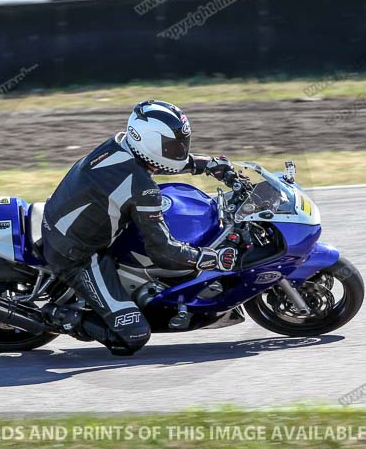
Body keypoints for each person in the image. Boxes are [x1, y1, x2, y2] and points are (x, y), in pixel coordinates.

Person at [40, 100, 238, 355]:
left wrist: (205, 164)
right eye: (172, 146)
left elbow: (160, 163)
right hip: (77, 256)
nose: (179, 151)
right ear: (149, 143)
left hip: (66, 224)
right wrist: (210, 259)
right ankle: (56, 316)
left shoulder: (120, 144)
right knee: (133, 335)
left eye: (181, 144)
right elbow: (163, 252)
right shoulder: (143, 189)